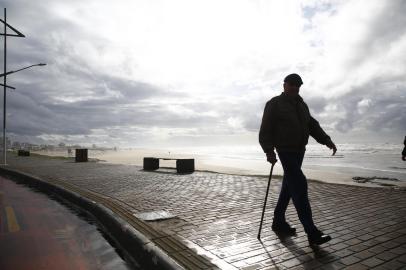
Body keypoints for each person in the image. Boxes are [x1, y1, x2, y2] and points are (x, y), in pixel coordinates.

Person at [259, 73, 337, 246]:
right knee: (299, 185)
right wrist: (268, 151)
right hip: (285, 150)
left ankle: (278, 221)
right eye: (292, 84)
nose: (295, 87)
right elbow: (265, 129)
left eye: (298, 85)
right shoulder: (274, 104)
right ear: (284, 85)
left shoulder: (302, 105)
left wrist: (326, 139)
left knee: (288, 186)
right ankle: (312, 232)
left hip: (299, 151)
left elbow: (311, 125)